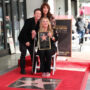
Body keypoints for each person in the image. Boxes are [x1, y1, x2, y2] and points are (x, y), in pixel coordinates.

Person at [18, 8, 41, 74]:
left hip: (31, 41)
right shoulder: (29, 21)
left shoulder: (39, 23)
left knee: (34, 53)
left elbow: (37, 34)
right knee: (23, 52)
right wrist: (26, 41)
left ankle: (34, 69)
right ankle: (22, 69)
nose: (38, 15)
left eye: (39, 14)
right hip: (23, 39)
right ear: (34, 14)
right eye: (37, 13)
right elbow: (24, 32)